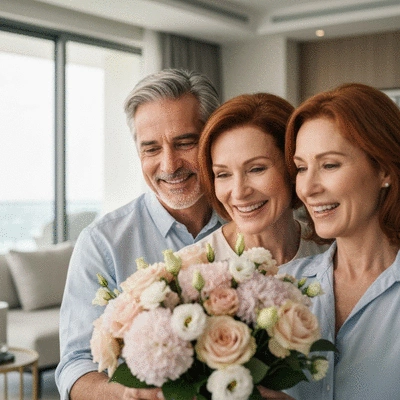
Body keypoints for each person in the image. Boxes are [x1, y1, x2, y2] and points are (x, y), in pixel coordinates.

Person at [55, 69, 224, 400]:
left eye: (184, 142)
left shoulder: (250, 222)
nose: (169, 164)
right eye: (151, 149)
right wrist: (128, 396)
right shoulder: (102, 243)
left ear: (212, 137)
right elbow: (75, 367)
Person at [279, 83, 400, 399]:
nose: (308, 187)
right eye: (302, 168)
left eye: (329, 165)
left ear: (385, 169)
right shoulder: (282, 287)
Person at [193, 92, 329, 265]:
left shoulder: (332, 251)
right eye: (223, 174)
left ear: (293, 167)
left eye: (256, 169)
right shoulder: (189, 270)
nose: (239, 192)